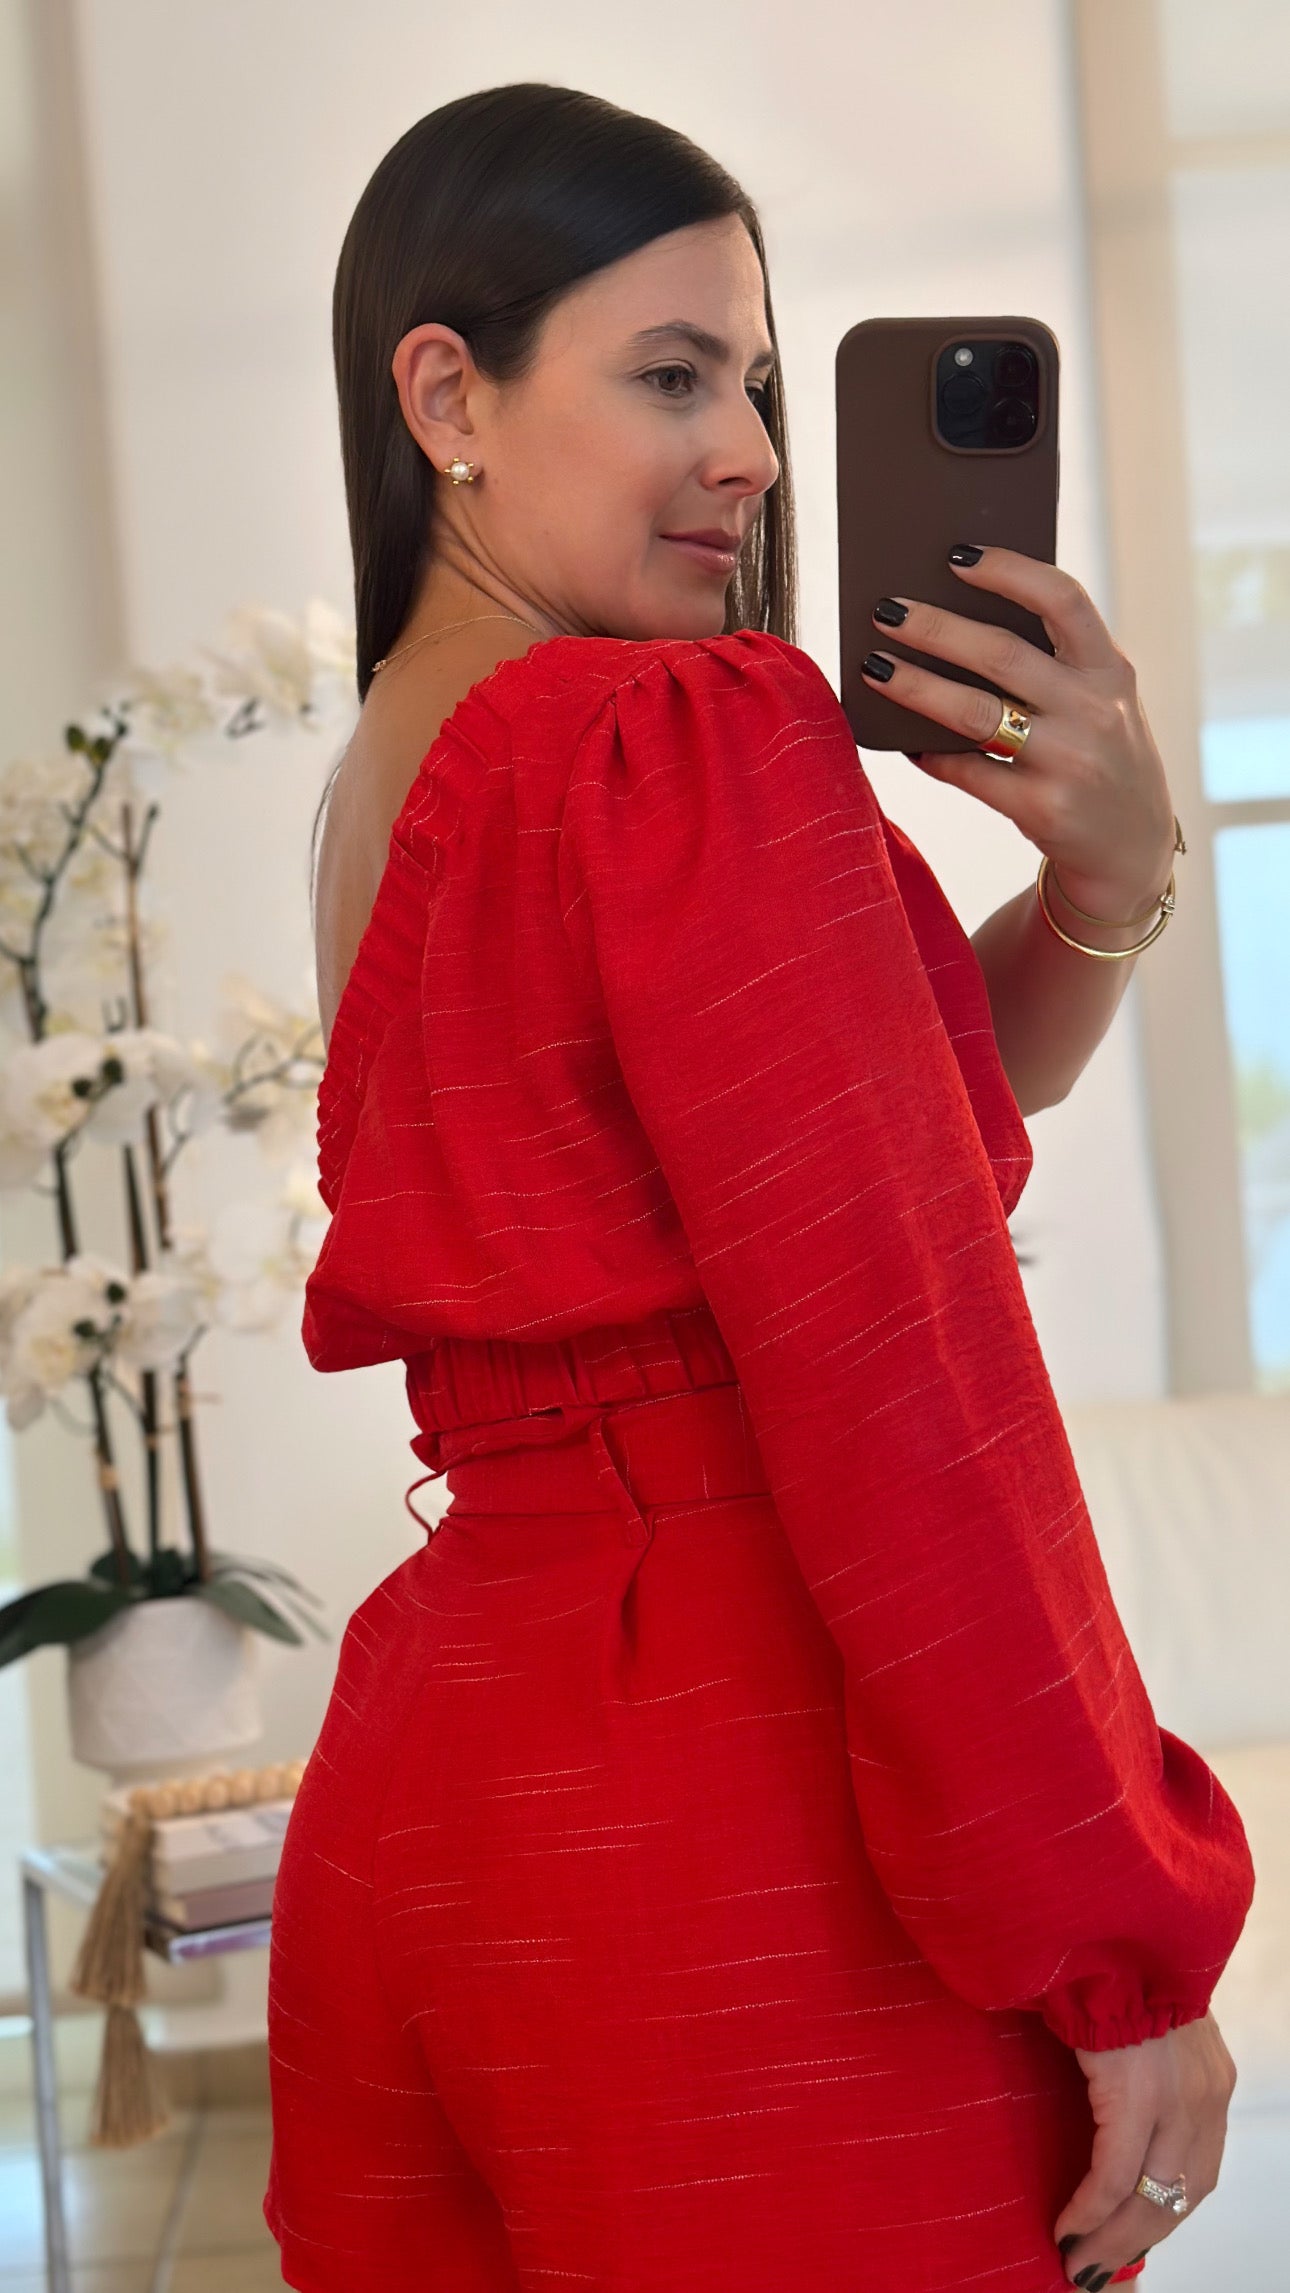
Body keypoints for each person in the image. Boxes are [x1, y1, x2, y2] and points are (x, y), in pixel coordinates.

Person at [262, 82, 1255, 2293]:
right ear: (446, 395)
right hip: (725, 1823)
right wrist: (1121, 1947)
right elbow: (905, 1379)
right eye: (671, 375)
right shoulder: (679, 735)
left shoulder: (397, 775)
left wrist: (1098, 890)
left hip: (444, 1799)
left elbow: (831, 1157)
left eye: (762, 385)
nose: (753, 456)